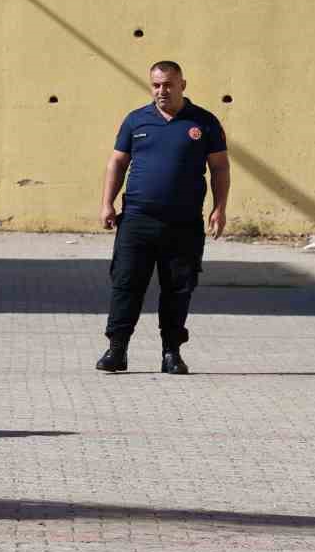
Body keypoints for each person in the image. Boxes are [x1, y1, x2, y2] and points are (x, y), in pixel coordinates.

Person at [97, 61, 230, 375]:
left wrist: (219, 207)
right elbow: (117, 163)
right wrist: (107, 203)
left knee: (178, 288)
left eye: (168, 85)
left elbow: (220, 167)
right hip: (137, 220)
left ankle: (171, 353)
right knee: (126, 285)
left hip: (183, 223)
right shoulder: (136, 120)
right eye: (156, 85)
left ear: (183, 84)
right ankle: (117, 350)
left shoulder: (204, 122)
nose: (161, 91)